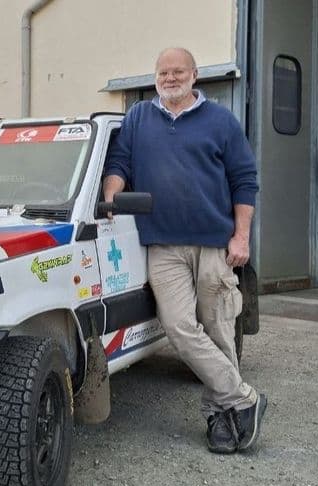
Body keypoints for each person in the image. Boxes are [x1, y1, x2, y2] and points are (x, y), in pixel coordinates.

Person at [102, 47, 267, 454]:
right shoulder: (138, 118)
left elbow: (245, 180)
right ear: (154, 77)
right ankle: (244, 398)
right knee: (178, 326)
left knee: (218, 325)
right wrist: (110, 198)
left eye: (178, 71)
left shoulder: (221, 121)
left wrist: (241, 236)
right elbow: (120, 163)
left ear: (195, 75)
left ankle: (220, 416)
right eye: (163, 72)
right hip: (163, 245)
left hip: (214, 243)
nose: (170, 78)